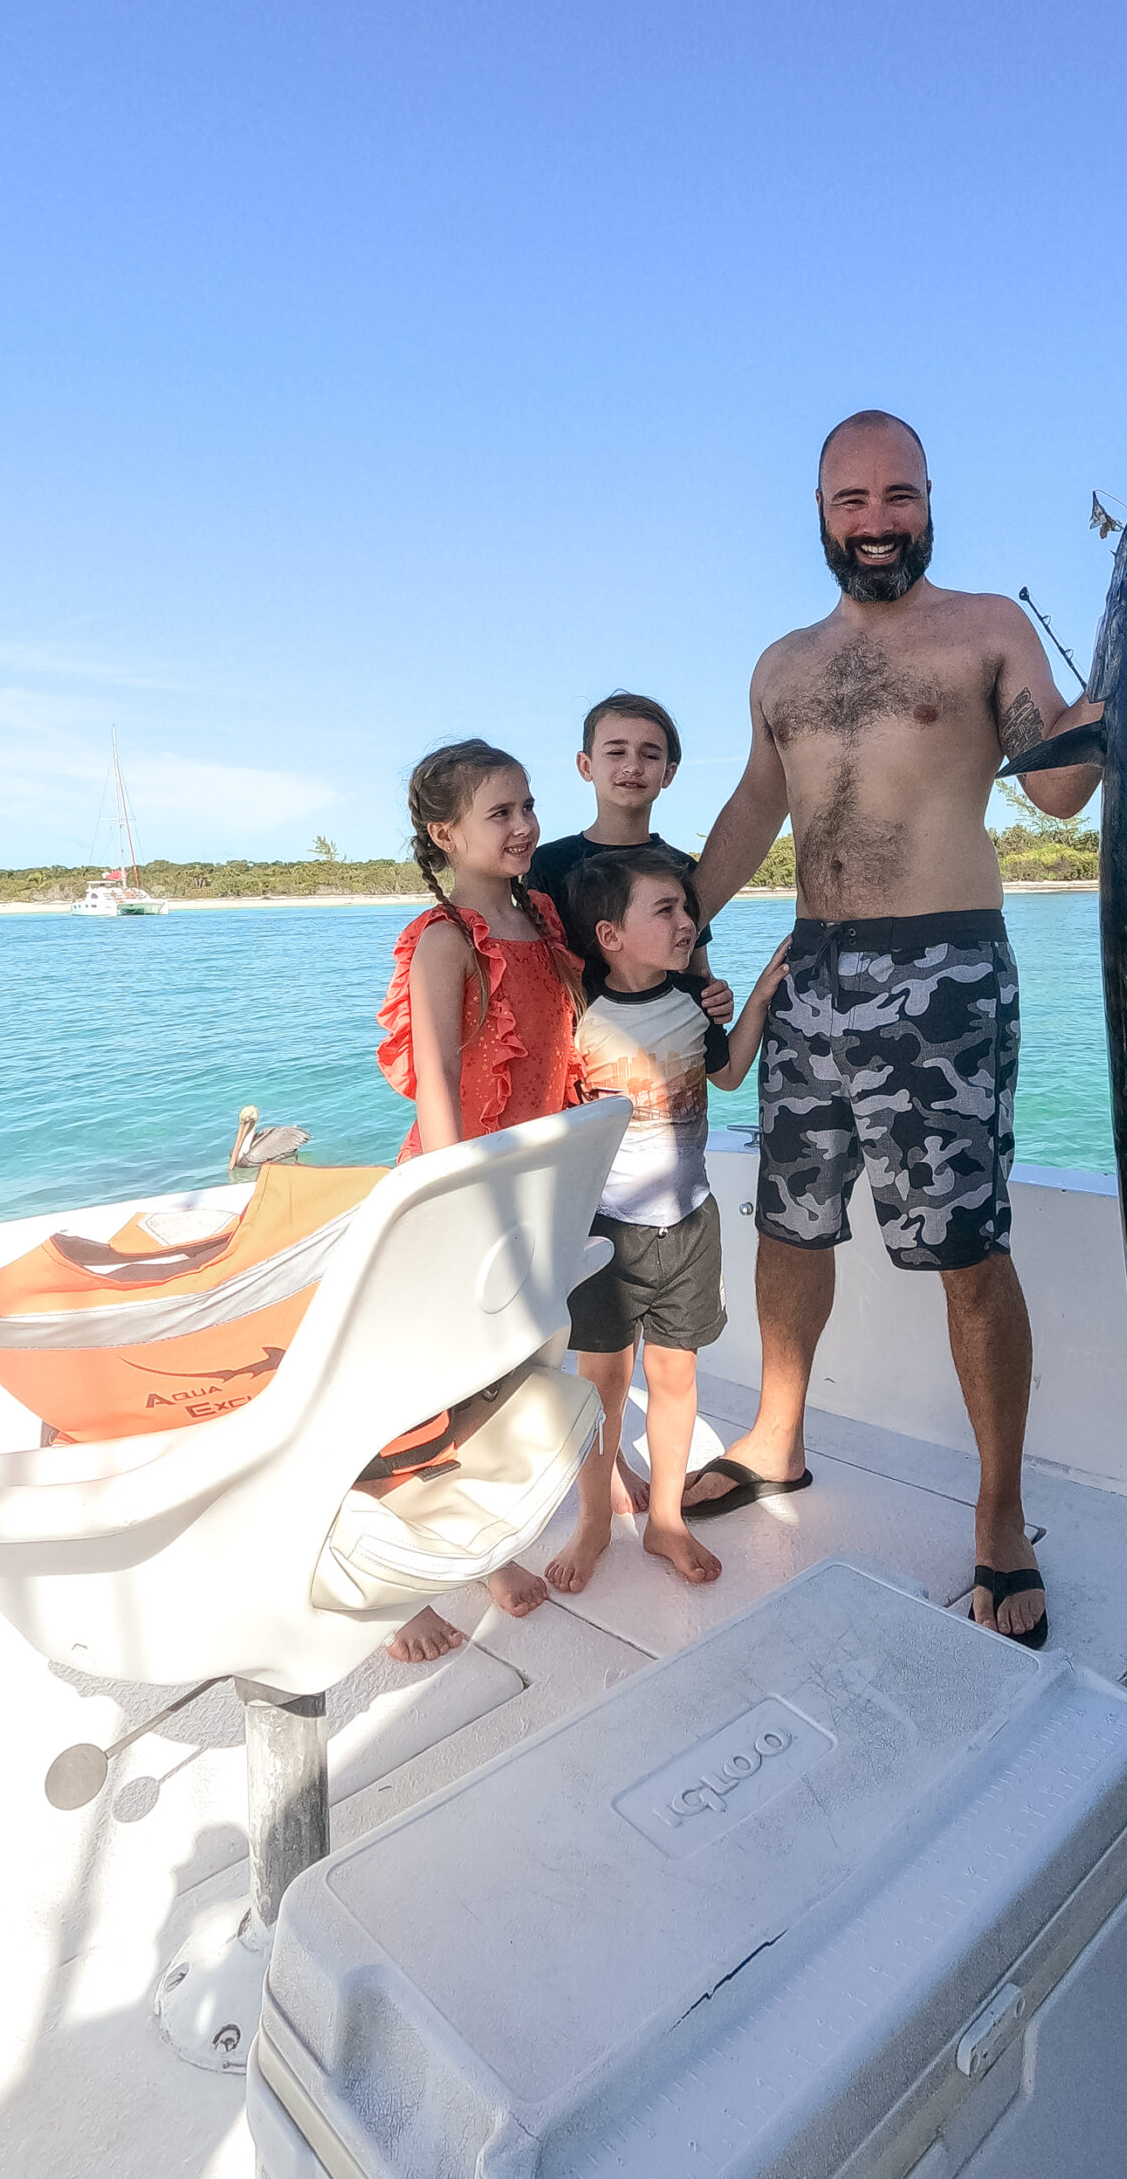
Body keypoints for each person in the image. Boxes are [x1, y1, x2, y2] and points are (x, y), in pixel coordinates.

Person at [682, 411, 1104, 1649]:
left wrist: (1105, 702)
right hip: (807, 971)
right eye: (851, 500)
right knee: (787, 1224)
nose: (875, 521)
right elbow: (755, 809)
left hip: (946, 972)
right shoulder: (781, 665)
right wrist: (656, 931)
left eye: (898, 495)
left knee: (967, 1250)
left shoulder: (985, 629)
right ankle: (774, 1438)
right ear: (818, 512)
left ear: (931, 500)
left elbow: (1062, 793)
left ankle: (1000, 1515)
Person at [371, 736, 590, 1662]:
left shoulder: (541, 916)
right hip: (460, 1195)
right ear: (443, 833)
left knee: (515, 1382)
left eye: (528, 806)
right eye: (499, 812)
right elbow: (437, 1088)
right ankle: (393, 1588)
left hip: (535, 1190)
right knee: (425, 1398)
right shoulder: (446, 941)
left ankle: (485, 1551)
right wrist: (462, 1209)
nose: (525, 825)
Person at [545, 851, 788, 1595]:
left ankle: (668, 1521)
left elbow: (728, 1073)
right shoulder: (578, 1012)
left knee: (676, 1379)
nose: (688, 924)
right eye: (668, 912)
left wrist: (757, 1002)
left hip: (691, 1224)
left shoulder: (695, 998)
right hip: (607, 1233)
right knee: (603, 1386)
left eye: (690, 910)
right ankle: (593, 1521)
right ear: (610, 935)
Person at [526, 689, 734, 1022]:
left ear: (668, 773)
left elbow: (696, 971)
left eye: (650, 755)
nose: (632, 766)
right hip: (576, 1048)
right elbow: (535, 969)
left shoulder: (682, 868)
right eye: (616, 752)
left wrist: (716, 998)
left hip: (666, 1051)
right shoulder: (547, 864)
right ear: (586, 765)